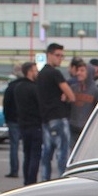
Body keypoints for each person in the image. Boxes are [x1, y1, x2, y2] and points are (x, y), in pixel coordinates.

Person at [38, 43, 75, 180]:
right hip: (58, 117)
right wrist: (65, 96)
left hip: (46, 119)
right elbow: (71, 96)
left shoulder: (41, 74)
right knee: (62, 154)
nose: (60, 58)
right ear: (49, 55)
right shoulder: (55, 73)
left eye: (62, 56)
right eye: (58, 55)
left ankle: (44, 181)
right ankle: (63, 181)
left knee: (46, 155)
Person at [13, 61, 42, 185]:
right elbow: (40, 106)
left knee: (27, 155)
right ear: (30, 72)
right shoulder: (35, 88)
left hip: (23, 125)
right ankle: (32, 181)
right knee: (35, 155)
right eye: (35, 70)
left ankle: (26, 181)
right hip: (35, 124)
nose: (37, 73)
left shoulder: (18, 88)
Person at [67, 57, 98, 150]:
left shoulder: (96, 91)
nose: (78, 73)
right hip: (73, 128)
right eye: (78, 70)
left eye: (82, 71)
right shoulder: (73, 88)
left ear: (89, 73)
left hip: (87, 130)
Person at [1, 66, 23, 177]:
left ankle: (14, 170)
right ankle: (27, 170)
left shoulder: (11, 87)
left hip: (13, 119)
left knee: (14, 146)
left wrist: (7, 118)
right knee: (28, 147)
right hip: (25, 119)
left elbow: (6, 104)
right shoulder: (28, 86)